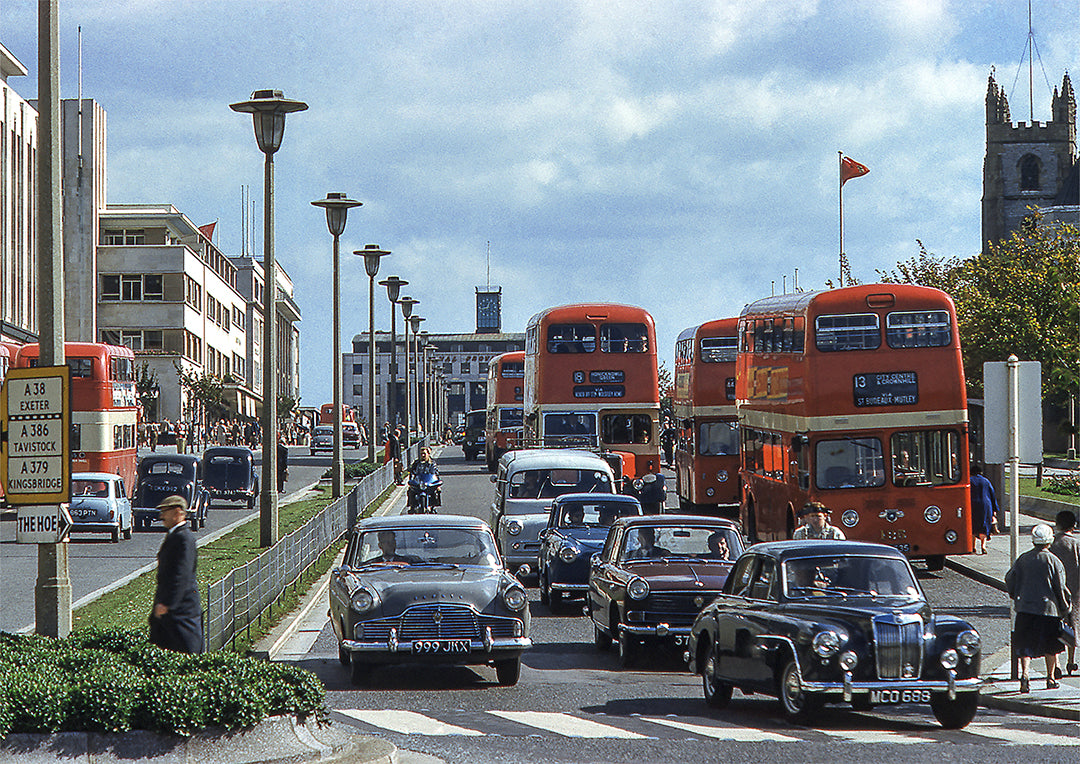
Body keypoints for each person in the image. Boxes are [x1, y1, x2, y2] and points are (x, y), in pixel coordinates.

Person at [1005, 523, 1072, 692]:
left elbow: (1010, 579)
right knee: (1051, 645)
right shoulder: (1054, 561)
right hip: (1049, 610)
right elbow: (1060, 587)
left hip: (1026, 609)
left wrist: (1016, 596)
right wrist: (1065, 608)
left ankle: (1025, 675)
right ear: (1049, 540)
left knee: (1025, 645)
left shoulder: (1023, 559)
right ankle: (1050, 678)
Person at [149, 495, 203, 653]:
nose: (162, 516)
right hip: (173, 612)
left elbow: (182, 575)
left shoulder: (183, 538)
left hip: (181, 613)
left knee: (183, 655)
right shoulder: (175, 535)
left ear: (178, 512)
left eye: (165, 511)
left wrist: (167, 605)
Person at [1050, 511, 1080, 676]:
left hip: (1054, 591)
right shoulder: (1076, 544)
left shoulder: (1052, 543)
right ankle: (1071, 660)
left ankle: (1056, 663)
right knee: (1073, 625)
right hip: (1075, 591)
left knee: (1055, 626)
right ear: (1073, 526)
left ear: (1057, 524)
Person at [970, 463, 998, 554]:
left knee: (973, 525)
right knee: (984, 525)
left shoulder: (969, 480)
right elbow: (992, 495)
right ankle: (983, 546)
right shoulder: (986, 481)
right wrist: (995, 509)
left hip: (972, 505)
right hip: (986, 505)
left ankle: (973, 547)